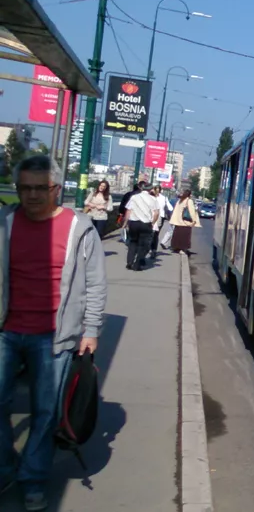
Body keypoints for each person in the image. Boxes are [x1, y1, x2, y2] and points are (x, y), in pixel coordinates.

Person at [0, 155, 106, 511]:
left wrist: (90, 330)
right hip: (5, 331)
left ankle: (32, 479)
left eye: (40, 188)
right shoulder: (5, 222)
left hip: (55, 336)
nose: (31, 195)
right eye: (24, 188)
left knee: (45, 412)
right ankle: (5, 468)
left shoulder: (80, 228)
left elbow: (95, 283)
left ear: (56, 189)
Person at [123, 181, 159, 271]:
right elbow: (156, 213)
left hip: (133, 223)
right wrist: (152, 223)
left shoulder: (134, 197)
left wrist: (125, 223)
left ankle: (129, 262)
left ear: (142, 188)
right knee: (143, 245)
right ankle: (137, 265)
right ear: (150, 190)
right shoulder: (153, 199)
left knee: (133, 242)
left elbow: (128, 210)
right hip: (145, 224)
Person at [169, 189, 201, 253]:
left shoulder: (180, 200)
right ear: (189, 195)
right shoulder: (189, 201)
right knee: (184, 237)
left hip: (178, 221)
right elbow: (191, 211)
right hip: (185, 222)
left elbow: (176, 210)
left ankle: (176, 248)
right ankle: (182, 249)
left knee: (177, 236)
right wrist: (194, 220)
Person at [149, 186, 173, 259]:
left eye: (157, 190)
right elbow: (170, 208)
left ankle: (153, 250)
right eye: (156, 190)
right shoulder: (151, 196)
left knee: (155, 234)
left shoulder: (163, 198)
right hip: (152, 216)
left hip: (158, 217)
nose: (157, 192)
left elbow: (170, 207)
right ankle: (151, 249)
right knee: (152, 234)